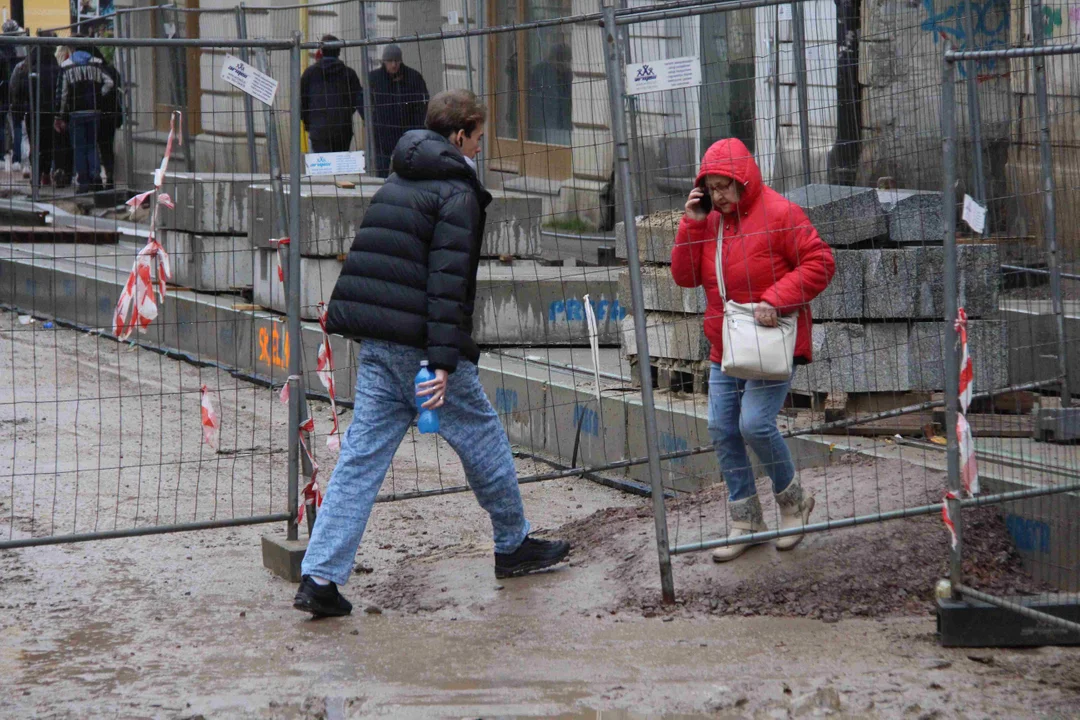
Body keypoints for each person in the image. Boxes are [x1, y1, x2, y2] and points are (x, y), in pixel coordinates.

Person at [293, 89, 570, 617]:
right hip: (424, 350)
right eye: (479, 139)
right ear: (460, 134)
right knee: (482, 437)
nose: (479, 150)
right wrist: (443, 361)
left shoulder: (399, 178)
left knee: (359, 460)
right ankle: (513, 545)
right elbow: (448, 285)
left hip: (379, 344)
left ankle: (319, 577)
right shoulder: (457, 193)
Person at [671, 138, 835, 562]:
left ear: (744, 180)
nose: (718, 196)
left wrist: (776, 298)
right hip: (725, 343)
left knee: (754, 425)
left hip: (771, 341)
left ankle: (794, 501)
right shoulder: (708, 222)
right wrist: (691, 222)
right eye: (711, 187)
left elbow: (820, 261)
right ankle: (746, 519)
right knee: (722, 430)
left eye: (725, 186)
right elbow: (685, 277)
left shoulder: (781, 213)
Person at [55, 39, 113, 194]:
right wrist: (99, 95)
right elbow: (109, 82)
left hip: (75, 112)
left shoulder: (66, 66)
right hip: (94, 110)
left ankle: (83, 182)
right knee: (92, 145)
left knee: (79, 148)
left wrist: (59, 115)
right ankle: (96, 178)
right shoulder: (96, 62)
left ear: (73, 49)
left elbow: (62, 94)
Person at [367, 44, 429, 178]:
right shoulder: (374, 79)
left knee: (407, 168)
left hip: (408, 131)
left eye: (397, 61)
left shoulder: (413, 77)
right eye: (390, 61)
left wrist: (417, 124)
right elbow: (364, 102)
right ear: (384, 61)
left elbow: (423, 102)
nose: (394, 65)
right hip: (383, 133)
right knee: (383, 169)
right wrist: (371, 119)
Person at [9, 35, 62, 186]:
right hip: (51, 112)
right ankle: (46, 173)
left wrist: (19, 107)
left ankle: (36, 175)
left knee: (35, 144)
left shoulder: (27, 69)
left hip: (32, 111)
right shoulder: (55, 69)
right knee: (48, 144)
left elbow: (19, 90)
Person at [299, 34, 364, 154]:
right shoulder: (348, 74)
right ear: (339, 52)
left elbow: (301, 103)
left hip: (318, 131)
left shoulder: (310, 74)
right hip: (342, 130)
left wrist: (309, 123)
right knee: (340, 168)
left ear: (321, 51)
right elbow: (358, 101)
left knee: (319, 169)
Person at [89, 45, 122, 189]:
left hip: (99, 113)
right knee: (107, 146)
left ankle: (98, 178)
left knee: (97, 146)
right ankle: (109, 177)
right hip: (112, 113)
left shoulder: (94, 70)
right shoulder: (110, 69)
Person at [526, 43, 572, 146]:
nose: (566, 64)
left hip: (562, 124)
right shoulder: (540, 71)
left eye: (568, 61)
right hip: (543, 123)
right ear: (554, 59)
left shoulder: (568, 74)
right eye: (563, 61)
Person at [0, 19, 22, 171]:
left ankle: (1, 157)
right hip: (19, 91)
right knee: (18, 125)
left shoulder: (1, 49)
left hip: (3, 90)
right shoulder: (21, 47)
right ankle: (18, 159)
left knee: (1, 125)